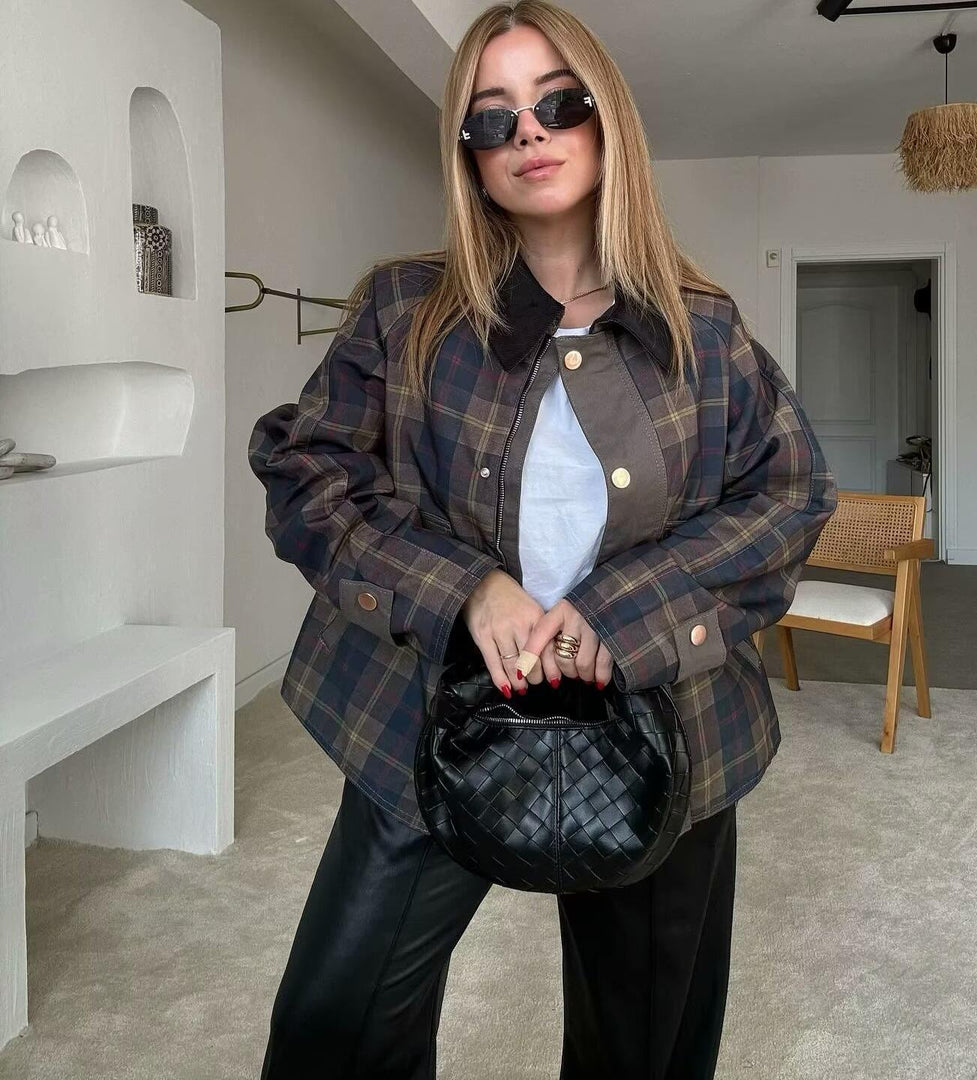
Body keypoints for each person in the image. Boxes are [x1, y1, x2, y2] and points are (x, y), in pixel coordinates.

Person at [247, 3, 837, 1077]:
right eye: (494, 117)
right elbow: (308, 470)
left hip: (669, 736)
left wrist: (625, 615)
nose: (530, 132)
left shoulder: (705, 328)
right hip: (426, 724)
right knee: (334, 1034)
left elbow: (789, 494)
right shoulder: (403, 308)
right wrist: (468, 592)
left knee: (645, 1047)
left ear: (606, 122)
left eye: (558, 103)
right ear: (469, 157)